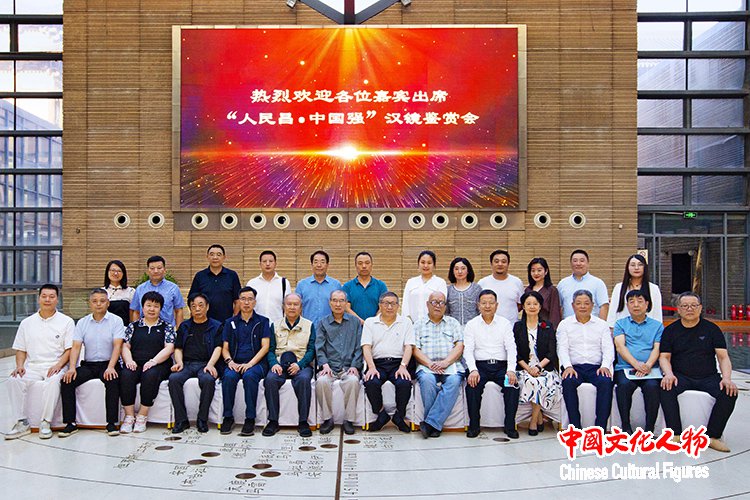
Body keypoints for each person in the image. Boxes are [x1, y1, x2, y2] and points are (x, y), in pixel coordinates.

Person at [659, 292, 738, 453]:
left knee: (729, 392)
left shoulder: (712, 329)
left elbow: (723, 357)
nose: (689, 309)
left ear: (700, 308)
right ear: (678, 309)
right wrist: (669, 374)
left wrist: (727, 378)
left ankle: (713, 436)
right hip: (681, 376)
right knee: (665, 388)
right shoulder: (670, 330)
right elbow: (664, 357)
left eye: (693, 305)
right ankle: (675, 434)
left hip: (708, 377)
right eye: (685, 306)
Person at [5, 284, 74, 440]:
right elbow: (21, 349)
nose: (47, 299)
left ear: (57, 299)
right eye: (44, 296)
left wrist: (58, 365)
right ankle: (22, 422)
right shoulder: (26, 323)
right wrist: (20, 366)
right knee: (13, 380)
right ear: (38, 299)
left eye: (51, 296)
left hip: (56, 365)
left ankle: (45, 422)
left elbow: (69, 349)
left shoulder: (66, 322)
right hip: (32, 366)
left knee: (53, 381)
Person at [60, 288, 124, 437]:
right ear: (90, 303)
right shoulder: (82, 323)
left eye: (102, 301)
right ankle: (70, 423)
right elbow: (76, 347)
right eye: (95, 301)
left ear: (108, 303)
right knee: (67, 381)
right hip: (89, 365)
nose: (98, 304)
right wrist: (72, 368)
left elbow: (118, 346)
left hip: (109, 364)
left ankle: (111, 423)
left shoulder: (116, 321)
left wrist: (111, 367)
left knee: (112, 380)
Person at [464, 290, 519, 439]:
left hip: (501, 367)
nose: (487, 306)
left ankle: (510, 425)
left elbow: (511, 348)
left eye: (491, 303)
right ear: (478, 305)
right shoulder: (472, 325)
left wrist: (511, 370)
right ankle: (474, 425)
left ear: (497, 305)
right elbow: (468, 350)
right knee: (472, 386)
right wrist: (473, 370)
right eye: (484, 303)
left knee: (512, 385)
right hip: (480, 367)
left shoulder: (505, 323)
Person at [557, 290, 614, 429]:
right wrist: (568, 366)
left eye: (586, 303)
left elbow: (608, 348)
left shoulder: (602, 325)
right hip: (574, 367)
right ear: (573, 305)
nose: (582, 306)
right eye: (579, 303)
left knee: (606, 382)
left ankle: (600, 428)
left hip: (596, 367)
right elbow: (562, 348)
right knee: (568, 382)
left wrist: (605, 365)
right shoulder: (564, 324)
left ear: (592, 305)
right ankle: (575, 426)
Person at [119, 291, 175, 433]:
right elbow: (125, 346)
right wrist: (129, 360)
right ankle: (129, 416)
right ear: (142, 307)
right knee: (126, 375)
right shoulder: (133, 326)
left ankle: (142, 416)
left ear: (160, 308)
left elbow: (169, 348)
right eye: (148, 305)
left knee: (150, 375)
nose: (152, 309)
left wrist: (154, 361)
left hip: (159, 364)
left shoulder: (167, 327)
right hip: (135, 362)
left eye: (156, 306)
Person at [262, 293, 316, 438]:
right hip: (280, 363)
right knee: (270, 379)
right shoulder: (275, 325)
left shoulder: (309, 325)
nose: (292, 307)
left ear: (301, 307)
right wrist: (274, 364)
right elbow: (270, 349)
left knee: (304, 380)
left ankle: (303, 422)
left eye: (295, 304)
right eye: (289, 304)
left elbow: (311, 350)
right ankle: (273, 421)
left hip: (301, 364)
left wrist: (300, 365)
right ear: (283, 307)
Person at [168, 293, 223, 434]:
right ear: (190, 309)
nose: (197, 309)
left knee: (208, 380)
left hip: (206, 364)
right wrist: (179, 362)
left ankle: (202, 419)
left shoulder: (216, 326)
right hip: (187, 364)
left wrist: (211, 364)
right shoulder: (184, 326)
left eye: (200, 305)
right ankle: (181, 420)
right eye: (193, 306)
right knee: (174, 379)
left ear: (207, 307)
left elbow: (218, 347)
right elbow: (178, 347)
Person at [412, 291, 464, 438]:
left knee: (454, 382)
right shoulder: (418, 324)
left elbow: (459, 346)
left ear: (445, 306)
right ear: (427, 305)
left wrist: (446, 362)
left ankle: (429, 424)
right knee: (427, 381)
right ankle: (434, 425)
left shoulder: (453, 323)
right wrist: (430, 364)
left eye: (441, 302)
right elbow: (415, 348)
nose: (438, 305)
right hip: (426, 365)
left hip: (451, 365)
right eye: (434, 302)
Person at [220, 286, 271, 436]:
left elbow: (265, 347)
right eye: (243, 299)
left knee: (249, 376)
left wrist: (250, 364)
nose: (246, 302)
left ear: (255, 302)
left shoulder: (263, 321)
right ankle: (228, 417)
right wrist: (230, 362)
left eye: (250, 299)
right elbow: (224, 348)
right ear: (238, 301)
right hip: (235, 362)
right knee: (228, 377)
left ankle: (250, 418)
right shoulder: (230, 322)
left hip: (256, 363)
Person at [361, 291, 414, 433]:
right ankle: (381, 414)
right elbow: (366, 347)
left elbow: (409, 346)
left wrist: (403, 366)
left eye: (393, 303)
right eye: (386, 303)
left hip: (398, 363)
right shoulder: (370, 322)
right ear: (380, 305)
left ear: (398, 306)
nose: (389, 307)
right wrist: (371, 367)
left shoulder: (406, 322)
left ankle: (399, 416)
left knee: (404, 383)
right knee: (371, 382)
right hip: (377, 363)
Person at [613, 289, 663, 434]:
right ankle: (626, 427)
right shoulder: (620, 324)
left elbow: (657, 348)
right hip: (625, 368)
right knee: (623, 386)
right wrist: (636, 365)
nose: (636, 305)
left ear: (647, 304)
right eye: (631, 302)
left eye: (640, 301)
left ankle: (649, 430)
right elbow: (620, 347)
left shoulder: (657, 326)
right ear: (627, 305)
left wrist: (647, 365)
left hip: (650, 369)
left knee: (652, 387)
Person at [316, 290, 363, 435]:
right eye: (334, 300)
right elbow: (319, 347)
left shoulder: (355, 322)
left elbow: (359, 347)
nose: (338, 304)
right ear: (330, 303)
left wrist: (355, 366)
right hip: (329, 367)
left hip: (348, 367)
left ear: (346, 303)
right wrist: (324, 364)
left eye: (341, 301)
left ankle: (349, 420)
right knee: (322, 381)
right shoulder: (323, 323)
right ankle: (327, 419)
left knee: (353, 381)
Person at [514, 290, 561, 435]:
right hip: (524, 368)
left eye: (535, 304)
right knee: (531, 381)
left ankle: (533, 421)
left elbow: (551, 352)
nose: (532, 306)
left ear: (540, 306)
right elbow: (516, 353)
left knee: (541, 381)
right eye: (528, 304)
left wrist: (538, 367)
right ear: (523, 307)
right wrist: (529, 369)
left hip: (544, 367)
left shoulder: (547, 326)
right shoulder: (518, 327)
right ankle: (538, 417)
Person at [188, 244, 241, 323]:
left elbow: (238, 301)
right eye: (212, 254)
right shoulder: (200, 276)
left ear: (224, 257)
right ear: (207, 257)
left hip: (226, 323)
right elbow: (192, 300)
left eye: (218, 255)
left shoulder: (232, 275)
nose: (215, 257)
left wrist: (234, 319)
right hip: (204, 323)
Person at [607, 254, 662, 328]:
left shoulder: (653, 289)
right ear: (628, 268)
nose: (636, 268)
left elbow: (657, 314)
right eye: (633, 265)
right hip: (623, 330)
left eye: (640, 265)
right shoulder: (619, 288)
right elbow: (612, 312)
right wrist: (612, 328)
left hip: (647, 330)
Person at [130, 255, 186, 328]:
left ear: (164, 270)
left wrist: (179, 331)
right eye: (152, 268)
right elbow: (136, 311)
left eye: (159, 268)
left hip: (167, 330)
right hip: (145, 330)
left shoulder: (173, 288)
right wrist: (136, 330)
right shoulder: (140, 289)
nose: (156, 271)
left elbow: (179, 311)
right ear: (148, 270)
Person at [557, 249, 609, 320]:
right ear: (571, 263)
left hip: (592, 325)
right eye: (575, 261)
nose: (578, 263)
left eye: (582, 261)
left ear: (588, 263)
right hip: (568, 325)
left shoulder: (598, 283)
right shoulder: (563, 283)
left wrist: (601, 325)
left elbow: (604, 306)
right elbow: (558, 307)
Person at [295, 250, 342, 325]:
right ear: (311, 265)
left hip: (330, 328)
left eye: (322, 262)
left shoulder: (336, 285)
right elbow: (297, 309)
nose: (319, 265)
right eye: (316, 262)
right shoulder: (302, 285)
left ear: (327, 265)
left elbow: (341, 308)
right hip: (308, 328)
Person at [477, 250, 524, 323]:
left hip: (511, 326)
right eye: (496, 261)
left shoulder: (517, 282)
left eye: (503, 261)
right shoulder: (482, 283)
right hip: (487, 326)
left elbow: (520, 304)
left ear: (508, 264)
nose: (500, 264)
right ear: (491, 263)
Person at [343, 251, 388, 324]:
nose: (364, 266)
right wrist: (362, 322)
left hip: (376, 326)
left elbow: (383, 307)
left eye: (367, 263)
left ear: (372, 265)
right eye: (360, 263)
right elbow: (346, 308)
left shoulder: (380, 285)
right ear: (355, 265)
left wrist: (372, 322)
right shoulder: (347, 286)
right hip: (354, 327)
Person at [248, 250, 291, 324]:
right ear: (260, 264)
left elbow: (288, 306)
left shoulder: (284, 283)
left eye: (271, 261)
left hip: (277, 326)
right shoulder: (252, 283)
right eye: (264, 261)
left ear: (275, 264)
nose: (267, 264)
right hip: (256, 325)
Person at [402, 250, 448, 322]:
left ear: (434, 265)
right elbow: (405, 305)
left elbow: (441, 305)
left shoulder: (440, 282)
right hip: (412, 324)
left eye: (429, 263)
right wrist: (408, 321)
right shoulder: (411, 282)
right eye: (423, 262)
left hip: (433, 324)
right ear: (418, 264)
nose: (426, 265)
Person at [524, 257, 562, 328]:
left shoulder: (552, 290)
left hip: (546, 327)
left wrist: (551, 330)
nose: (536, 273)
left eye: (539, 270)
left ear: (546, 271)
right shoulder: (528, 290)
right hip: (529, 328)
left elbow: (555, 314)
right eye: (533, 270)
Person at [445, 257, 482, 326]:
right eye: (456, 269)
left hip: (473, 328)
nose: (460, 271)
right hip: (453, 328)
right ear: (452, 271)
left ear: (468, 271)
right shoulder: (448, 290)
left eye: (463, 268)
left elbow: (481, 310)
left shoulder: (476, 289)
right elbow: (446, 312)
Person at [104, 259, 135, 326]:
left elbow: (133, 313)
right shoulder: (102, 292)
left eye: (119, 271)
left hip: (125, 328)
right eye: (113, 270)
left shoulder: (130, 291)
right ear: (107, 272)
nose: (116, 273)